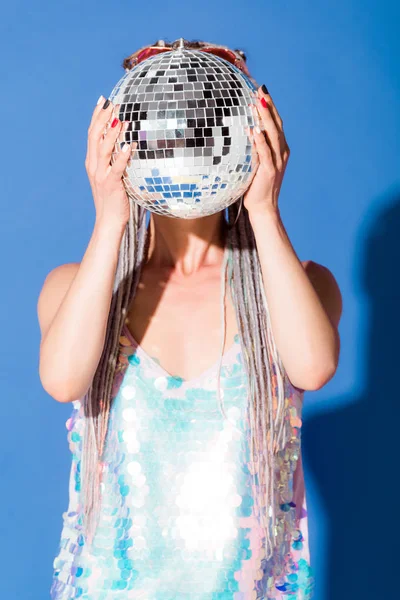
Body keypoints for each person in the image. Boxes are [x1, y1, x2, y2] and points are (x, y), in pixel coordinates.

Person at [38, 38, 342, 600]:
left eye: (201, 126)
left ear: (244, 136)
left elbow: (314, 366)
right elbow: (62, 380)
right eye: (160, 128)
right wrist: (109, 219)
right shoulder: (76, 287)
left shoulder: (298, 283)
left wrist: (264, 211)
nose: (181, 147)